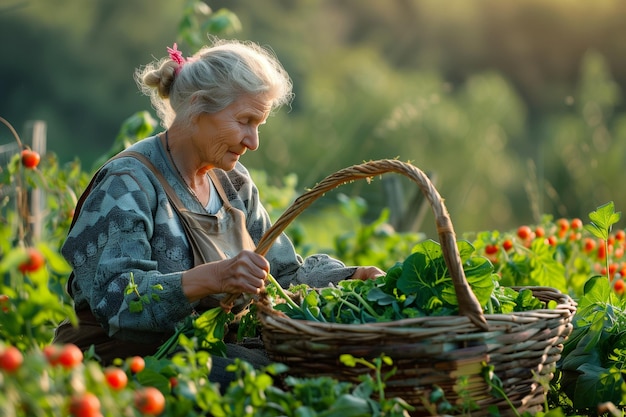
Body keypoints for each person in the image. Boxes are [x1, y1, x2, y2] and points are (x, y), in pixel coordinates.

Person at [53, 38, 384, 385]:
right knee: (276, 383)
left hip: (199, 360)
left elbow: (282, 273)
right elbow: (118, 301)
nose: (253, 141)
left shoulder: (233, 183)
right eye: (245, 121)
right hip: (121, 374)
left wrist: (350, 278)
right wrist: (214, 277)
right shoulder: (127, 184)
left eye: (259, 125)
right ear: (198, 108)